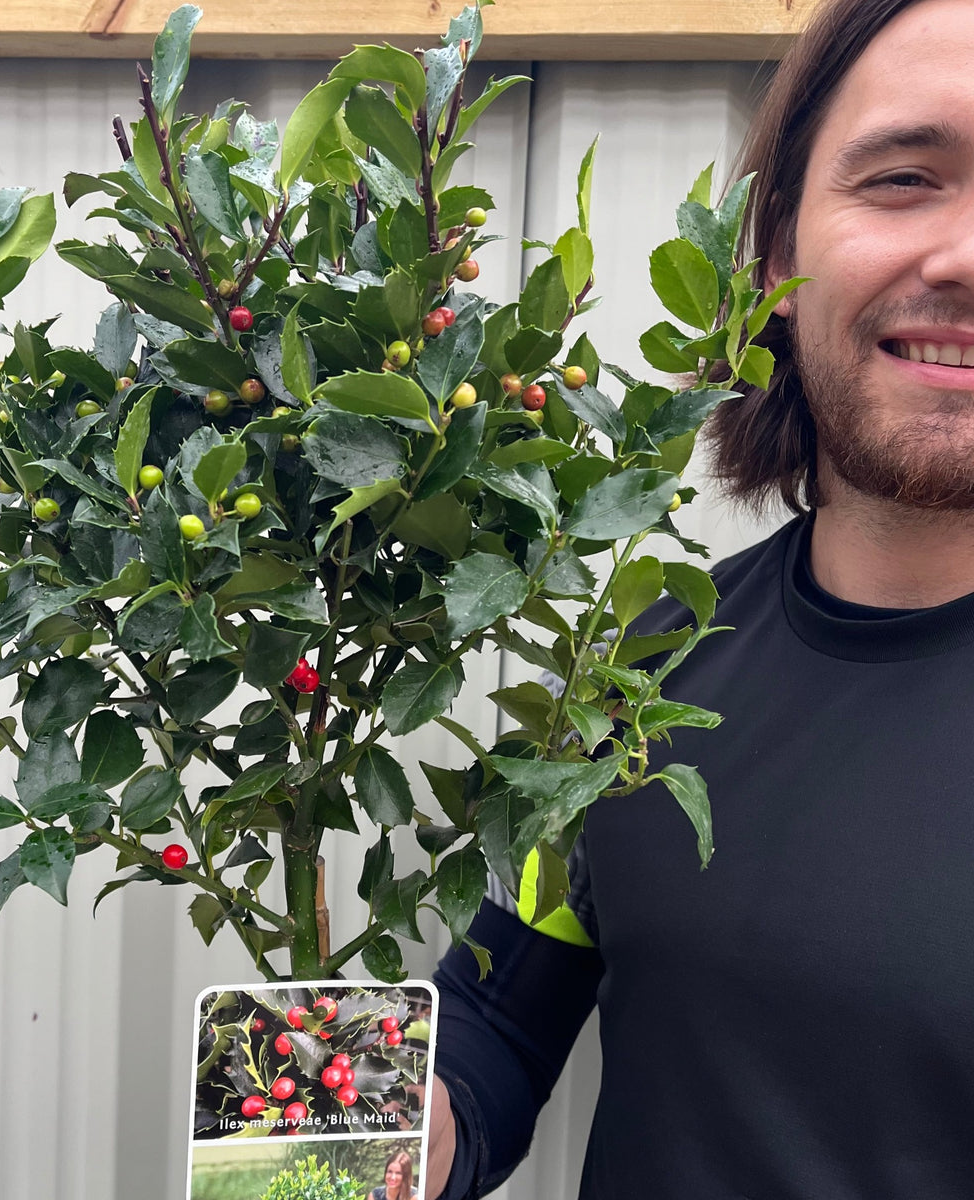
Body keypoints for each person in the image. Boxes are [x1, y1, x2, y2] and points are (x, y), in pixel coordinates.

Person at [428, 0, 974, 1196]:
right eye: (903, 177)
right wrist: (377, 1135)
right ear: (774, 255)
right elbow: (499, 1014)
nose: (965, 254)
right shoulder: (642, 669)